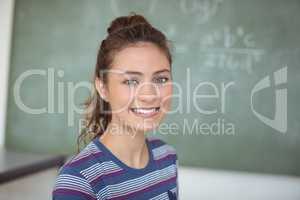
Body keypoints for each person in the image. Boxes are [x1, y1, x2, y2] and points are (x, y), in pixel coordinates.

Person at [52, 13, 178, 200]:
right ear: (103, 88)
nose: (149, 95)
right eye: (131, 81)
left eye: (161, 79)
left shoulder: (167, 156)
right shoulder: (78, 182)